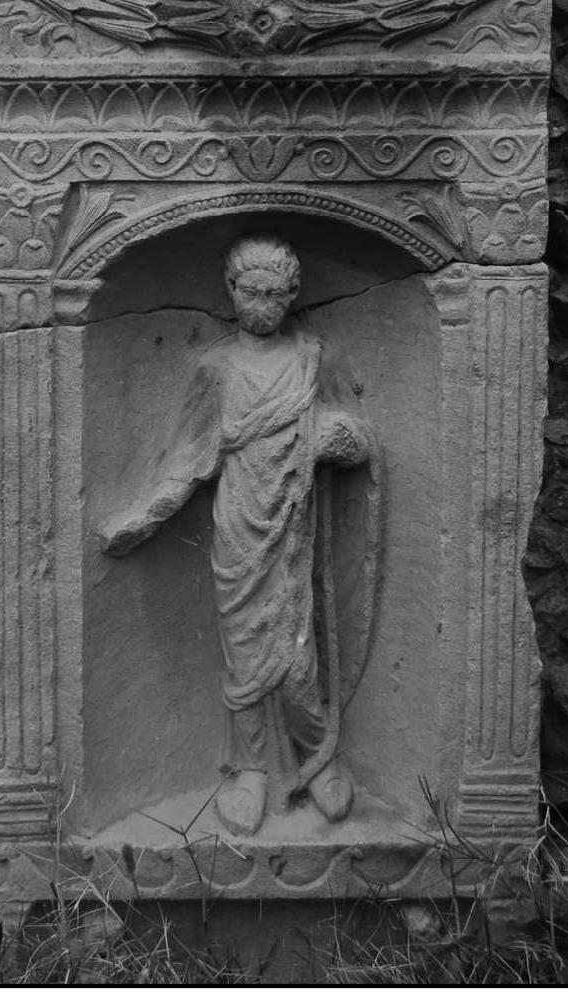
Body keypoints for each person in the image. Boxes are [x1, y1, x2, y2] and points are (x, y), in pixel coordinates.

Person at [98, 234, 376, 838]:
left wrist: (336, 436)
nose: (264, 305)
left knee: (298, 657)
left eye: (276, 294)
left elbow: (356, 440)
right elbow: (189, 459)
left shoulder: (313, 358)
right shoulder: (216, 369)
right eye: (253, 292)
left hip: (294, 527)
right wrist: (143, 517)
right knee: (245, 653)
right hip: (238, 529)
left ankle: (316, 753)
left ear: (293, 294)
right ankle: (250, 770)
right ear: (231, 290)